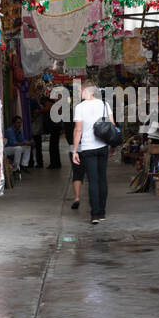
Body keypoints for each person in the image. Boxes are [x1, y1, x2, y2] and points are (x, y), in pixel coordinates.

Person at [72, 82, 112, 223]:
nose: (80, 93)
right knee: (102, 179)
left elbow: (78, 130)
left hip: (88, 148)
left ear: (86, 91)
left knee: (93, 180)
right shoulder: (104, 105)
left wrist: (75, 150)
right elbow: (111, 125)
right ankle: (102, 212)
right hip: (102, 146)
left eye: (81, 90)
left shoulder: (80, 107)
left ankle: (95, 214)